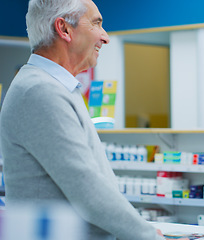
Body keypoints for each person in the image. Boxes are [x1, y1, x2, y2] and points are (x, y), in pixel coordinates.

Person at [0, 0, 168, 239]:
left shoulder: (59, 87)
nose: (105, 37)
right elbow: (87, 190)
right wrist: (149, 236)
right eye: (96, 23)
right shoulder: (40, 91)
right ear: (64, 29)